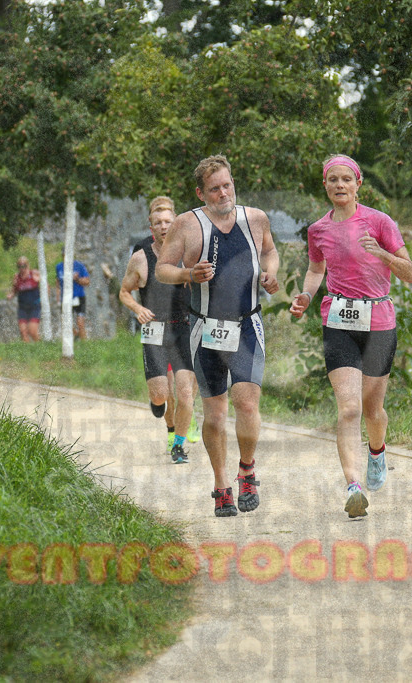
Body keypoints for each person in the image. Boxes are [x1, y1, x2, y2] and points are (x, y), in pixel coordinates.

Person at [290, 154, 412, 519]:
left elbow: (409, 273)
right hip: (339, 320)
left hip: (378, 321)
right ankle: (353, 486)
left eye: (347, 179)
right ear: (325, 186)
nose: (340, 185)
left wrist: (383, 254)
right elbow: (316, 269)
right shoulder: (318, 230)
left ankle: (377, 451)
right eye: (334, 180)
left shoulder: (380, 222)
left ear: (359, 184)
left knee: (373, 410)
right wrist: (306, 295)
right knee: (349, 408)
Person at [155, 154, 279, 517]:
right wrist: (188, 275)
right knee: (214, 413)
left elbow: (269, 251)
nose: (223, 193)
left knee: (246, 402)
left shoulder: (255, 219)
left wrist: (270, 274)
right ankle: (221, 484)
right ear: (201, 192)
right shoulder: (186, 225)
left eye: (227, 185)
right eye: (214, 189)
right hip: (205, 328)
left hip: (247, 324)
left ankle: (247, 469)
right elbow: (163, 269)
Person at [119, 196, 197, 464]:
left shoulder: (188, 253)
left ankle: (178, 445)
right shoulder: (141, 257)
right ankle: (159, 403)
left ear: (176, 223)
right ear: (151, 226)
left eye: (168, 222)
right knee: (162, 393)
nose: (164, 227)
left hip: (184, 328)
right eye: (158, 223)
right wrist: (137, 309)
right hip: (154, 330)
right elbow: (124, 291)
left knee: (185, 393)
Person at [56, 256, 91, 340]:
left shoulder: (79, 266)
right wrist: (58, 296)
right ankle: (76, 336)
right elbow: (58, 282)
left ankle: (84, 344)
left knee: (80, 323)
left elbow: (87, 281)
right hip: (65, 298)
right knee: (66, 322)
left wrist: (77, 279)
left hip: (78, 297)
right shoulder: (59, 267)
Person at [7, 256, 40, 342]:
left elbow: (45, 285)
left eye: (24, 266)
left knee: (32, 331)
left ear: (28, 265)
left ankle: (39, 346)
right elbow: (14, 290)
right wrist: (11, 295)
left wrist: (45, 294)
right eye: (20, 266)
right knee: (23, 332)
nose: (22, 269)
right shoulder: (17, 277)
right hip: (22, 308)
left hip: (34, 306)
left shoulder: (34, 274)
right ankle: (28, 353)